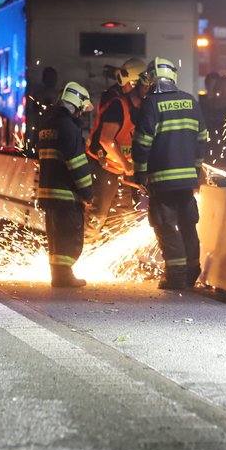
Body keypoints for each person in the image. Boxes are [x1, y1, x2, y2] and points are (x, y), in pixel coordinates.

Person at [132, 57, 209, 290]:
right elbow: (202, 138)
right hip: (187, 181)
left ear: (152, 79)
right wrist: (196, 169)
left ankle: (176, 274)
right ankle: (192, 269)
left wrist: (140, 173)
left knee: (166, 225)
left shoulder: (151, 104)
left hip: (161, 181)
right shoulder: (190, 101)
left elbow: (142, 142)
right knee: (188, 223)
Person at [36, 81, 96, 287]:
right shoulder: (68, 127)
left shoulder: (47, 124)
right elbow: (77, 164)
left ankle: (58, 275)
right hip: (66, 194)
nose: (81, 114)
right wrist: (88, 192)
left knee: (56, 236)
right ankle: (64, 275)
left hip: (48, 192)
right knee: (70, 235)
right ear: (77, 105)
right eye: (81, 109)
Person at [85, 57, 147, 242]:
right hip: (102, 164)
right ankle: (85, 251)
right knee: (98, 214)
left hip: (120, 166)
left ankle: (115, 262)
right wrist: (127, 165)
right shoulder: (115, 101)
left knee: (124, 215)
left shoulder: (141, 104)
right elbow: (106, 139)